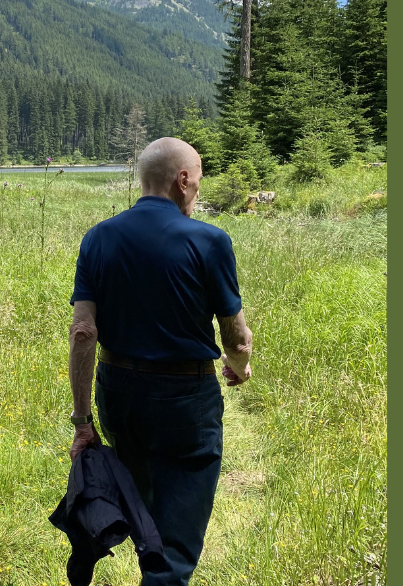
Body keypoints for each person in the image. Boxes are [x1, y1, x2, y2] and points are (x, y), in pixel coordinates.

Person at [66, 137, 253, 585]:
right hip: (185, 399)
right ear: (182, 179)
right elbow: (237, 333)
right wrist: (239, 363)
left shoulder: (98, 237)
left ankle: (128, 550)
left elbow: (83, 333)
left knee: (146, 507)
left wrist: (82, 420)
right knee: (176, 539)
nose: (198, 194)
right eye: (198, 183)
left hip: (118, 394)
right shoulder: (209, 240)